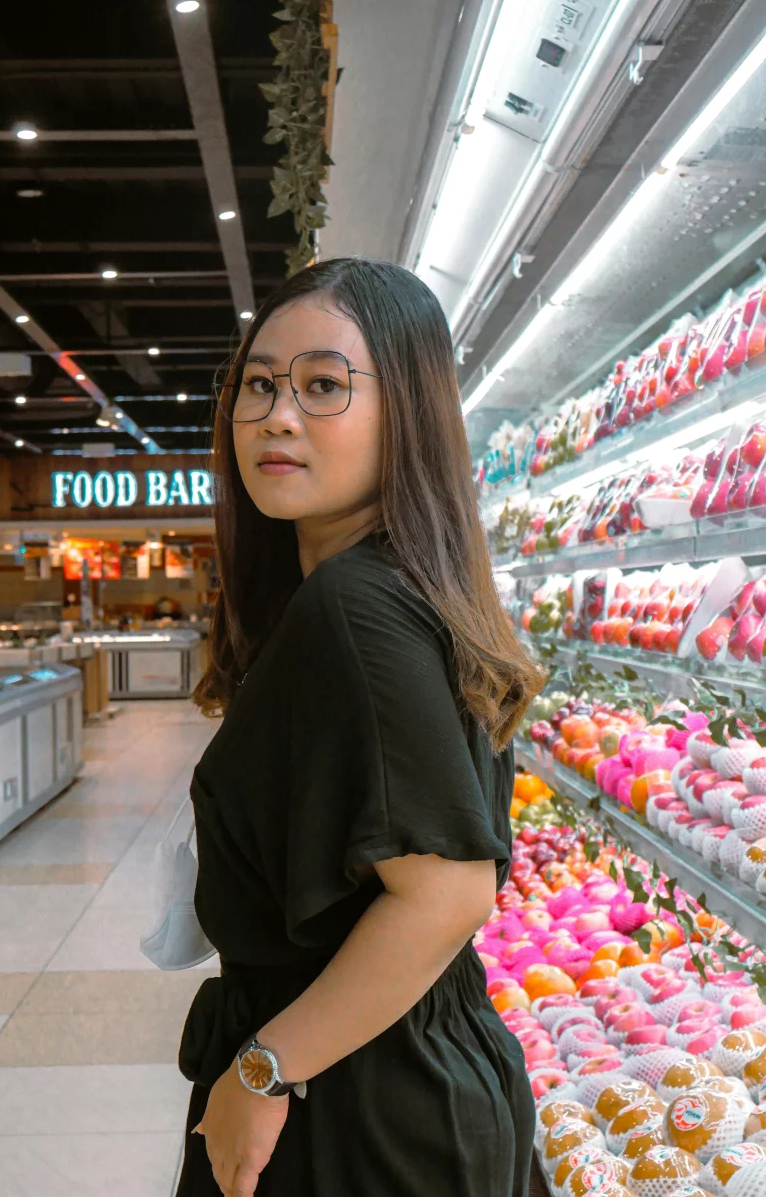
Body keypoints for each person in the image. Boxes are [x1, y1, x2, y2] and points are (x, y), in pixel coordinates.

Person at [177, 258, 542, 1197]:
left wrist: (262, 1070)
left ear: (409, 408)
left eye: (324, 385)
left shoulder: (355, 604)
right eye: (258, 384)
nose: (276, 416)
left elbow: (446, 892)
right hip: (397, 1067)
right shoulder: (390, 587)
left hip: (356, 1102)